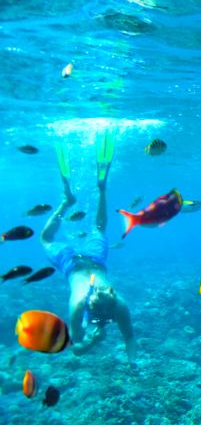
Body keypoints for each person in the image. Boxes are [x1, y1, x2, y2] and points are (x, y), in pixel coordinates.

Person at [40, 132, 135, 359]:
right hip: (73, 264)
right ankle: (79, 197)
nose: (103, 319)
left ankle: (85, 195)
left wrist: (131, 363)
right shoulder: (84, 303)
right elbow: (78, 349)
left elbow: (78, 344)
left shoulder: (113, 305)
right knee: (49, 239)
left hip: (94, 259)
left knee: (95, 230)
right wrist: (92, 342)